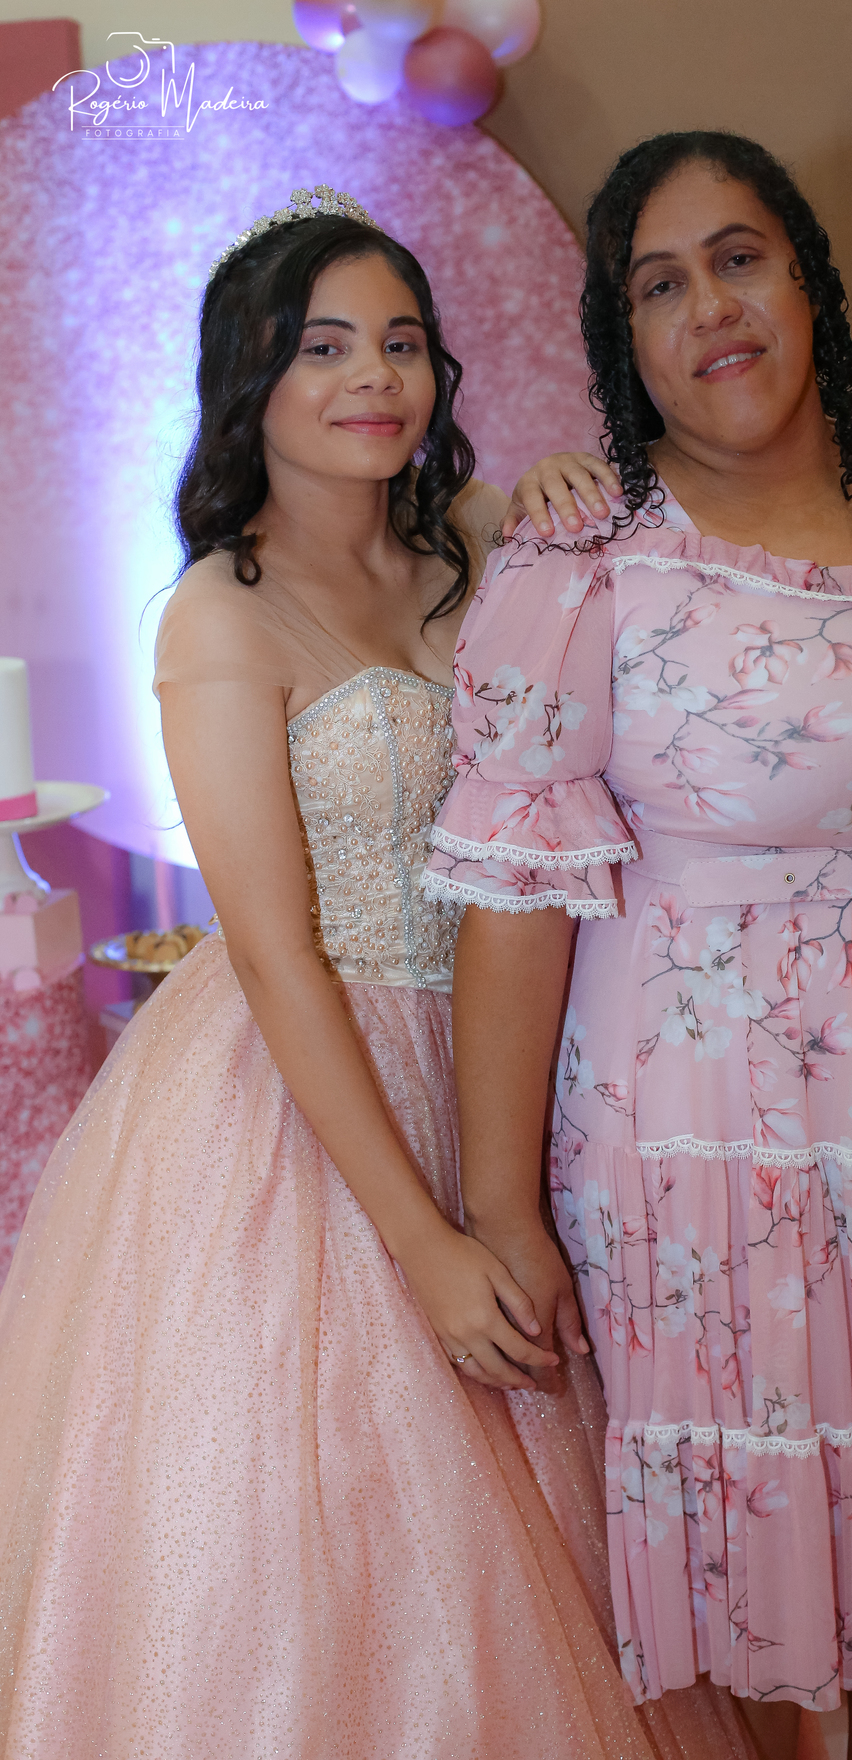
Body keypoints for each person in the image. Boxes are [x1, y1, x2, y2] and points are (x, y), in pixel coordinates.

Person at [0, 189, 753, 1760]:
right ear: (252, 379)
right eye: (325, 346)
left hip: (517, 1040)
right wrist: (421, 1239)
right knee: (349, 1512)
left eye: (402, 343)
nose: (375, 377)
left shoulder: (468, 543)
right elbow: (274, 955)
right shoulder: (220, 613)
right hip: (305, 1076)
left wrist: (559, 492)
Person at [429, 134, 852, 1760]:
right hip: (700, 1148)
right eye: (658, 285)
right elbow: (514, 908)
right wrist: (503, 1209)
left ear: (809, 279)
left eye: (740, 257)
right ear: (622, 338)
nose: (711, 308)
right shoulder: (582, 563)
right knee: (753, 1529)